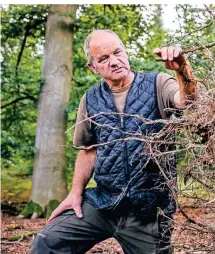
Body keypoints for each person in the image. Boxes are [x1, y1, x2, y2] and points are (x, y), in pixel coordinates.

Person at [30, 29, 197, 254]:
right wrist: (75, 192)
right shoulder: (90, 99)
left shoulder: (157, 83)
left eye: (118, 52)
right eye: (104, 59)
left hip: (148, 210)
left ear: (125, 51)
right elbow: (88, 150)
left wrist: (183, 70)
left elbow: (188, 102)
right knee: (47, 241)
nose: (115, 61)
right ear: (93, 67)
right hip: (104, 203)